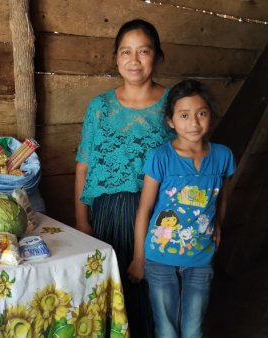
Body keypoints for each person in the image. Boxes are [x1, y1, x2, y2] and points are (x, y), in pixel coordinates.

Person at [74, 19, 173, 337]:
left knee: (151, 297)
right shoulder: (100, 108)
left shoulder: (174, 106)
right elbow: (83, 165)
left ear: (157, 55)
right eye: (126, 52)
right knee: (111, 293)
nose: (134, 60)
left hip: (158, 215)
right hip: (106, 215)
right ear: (116, 58)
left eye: (143, 51)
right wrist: (82, 222)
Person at [127, 79, 236, 338]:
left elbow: (221, 198)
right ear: (171, 121)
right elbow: (144, 210)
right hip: (159, 258)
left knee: (193, 329)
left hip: (200, 258)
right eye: (184, 115)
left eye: (202, 113)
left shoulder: (223, 156)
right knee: (166, 328)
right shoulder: (161, 157)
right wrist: (139, 258)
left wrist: (218, 224)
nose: (194, 123)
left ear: (211, 116)